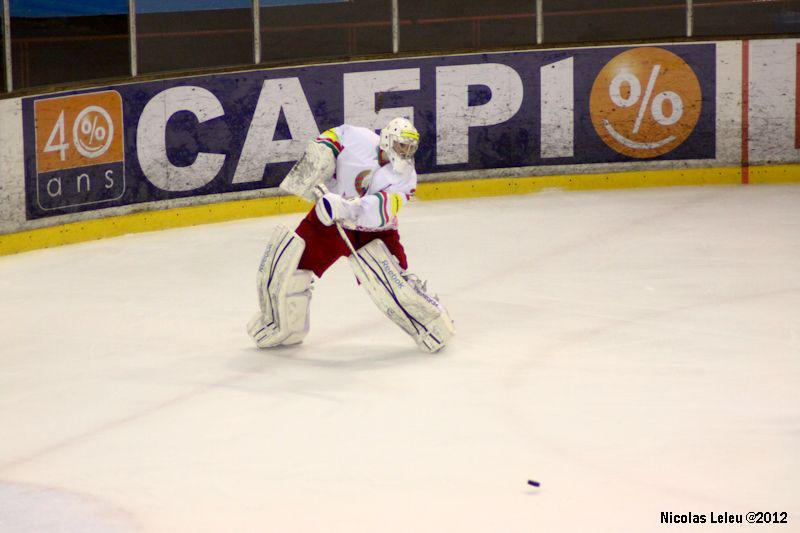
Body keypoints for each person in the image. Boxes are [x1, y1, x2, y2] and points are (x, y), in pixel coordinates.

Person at [246, 117, 455, 353]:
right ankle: (284, 327)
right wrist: (322, 155)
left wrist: (346, 208)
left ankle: (433, 324)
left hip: (375, 234)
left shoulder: (406, 177)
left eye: (410, 147)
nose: (405, 152)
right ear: (388, 139)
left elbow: (380, 212)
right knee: (287, 267)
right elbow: (333, 136)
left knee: (398, 288)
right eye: (401, 145)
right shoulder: (357, 137)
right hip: (327, 223)